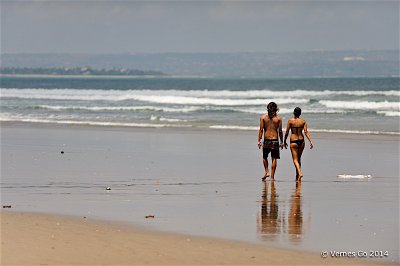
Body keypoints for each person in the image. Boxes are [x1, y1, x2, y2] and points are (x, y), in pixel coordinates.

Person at [283, 107, 314, 181]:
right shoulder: (303, 121)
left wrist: (284, 141)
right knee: (299, 159)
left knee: (295, 159)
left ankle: (299, 173)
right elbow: (306, 132)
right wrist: (310, 141)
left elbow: (287, 132)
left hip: (293, 141)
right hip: (301, 141)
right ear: (300, 113)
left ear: (294, 112)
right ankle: (297, 176)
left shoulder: (290, 121)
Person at [258, 102, 284, 181]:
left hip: (266, 140)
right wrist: (282, 141)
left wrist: (259, 140)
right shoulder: (278, 119)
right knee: (274, 158)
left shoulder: (263, 118)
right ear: (276, 109)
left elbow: (261, 130)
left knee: (264, 157)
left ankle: (267, 172)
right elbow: (280, 131)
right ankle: (272, 177)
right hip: (275, 140)